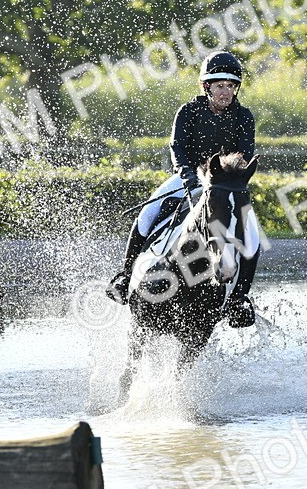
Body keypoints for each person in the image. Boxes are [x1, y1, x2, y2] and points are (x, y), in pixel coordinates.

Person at [106, 50, 257, 324]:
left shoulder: (244, 117)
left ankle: (238, 299)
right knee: (148, 215)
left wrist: (232, 177)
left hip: (225, 184)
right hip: (190, 176)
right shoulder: (188, 111)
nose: (226, 92)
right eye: (220, 86)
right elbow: (177, 148)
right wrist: (188, 176)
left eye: (231, 86)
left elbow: (245, 154)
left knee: (253, 234)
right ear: (206, 86)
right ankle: (125, 276)